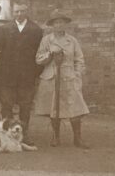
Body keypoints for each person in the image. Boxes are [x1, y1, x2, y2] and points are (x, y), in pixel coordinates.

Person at [34, 9, 90, 149]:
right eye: (56, 23)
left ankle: (78, 138)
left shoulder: (72, 41)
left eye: (61, 22)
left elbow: (79, 60)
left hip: (69, 78)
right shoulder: (46, 40)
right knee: (54, 109)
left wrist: (77, 75)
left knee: (75, 108)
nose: (59, 25)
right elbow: (38, 60)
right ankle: (56, 137)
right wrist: (49, 54)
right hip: (52, 78)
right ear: (52, 25)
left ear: (65, 24)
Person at [0, 1, 43, 145]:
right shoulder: (4, 29)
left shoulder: (35, 30)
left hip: (27, 76)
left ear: (27, 12)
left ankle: (24, 136)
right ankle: (6, 136)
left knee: (25, 106)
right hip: (7, 75)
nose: (19, 14)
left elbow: (39, 54)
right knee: (6, 105)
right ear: (12, 12)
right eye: (16, 11)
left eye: (22, 11)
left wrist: (36, 74)